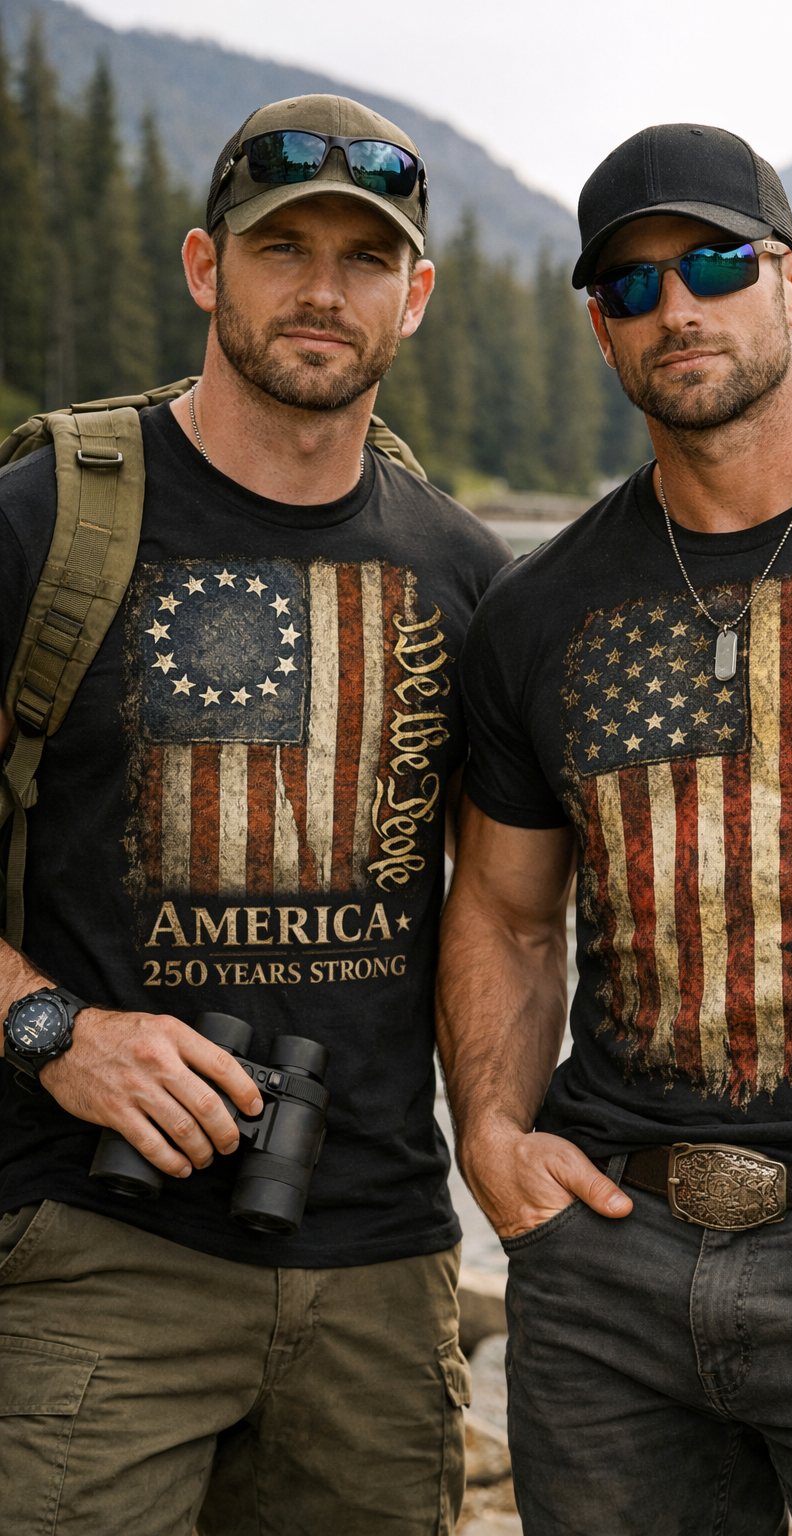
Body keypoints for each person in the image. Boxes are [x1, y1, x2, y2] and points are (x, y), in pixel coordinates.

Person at [438, 122, 792, 1535]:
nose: (676, 307)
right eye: (631, 287)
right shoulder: (542, 609)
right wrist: (495, 1143)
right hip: (610, 1289)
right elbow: (509, 911)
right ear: (598, 328)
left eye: (713, 262)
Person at [0, 93, 508, 1535]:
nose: (322, 290)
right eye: (283, 247)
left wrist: (505, 1140)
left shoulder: (467, 572)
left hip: (380, 1261)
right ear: (203, 266)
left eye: (364, 259)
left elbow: (509, 912)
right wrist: (60, 1033)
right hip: (95, 1251)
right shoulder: (45, 526)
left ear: (413, 297)